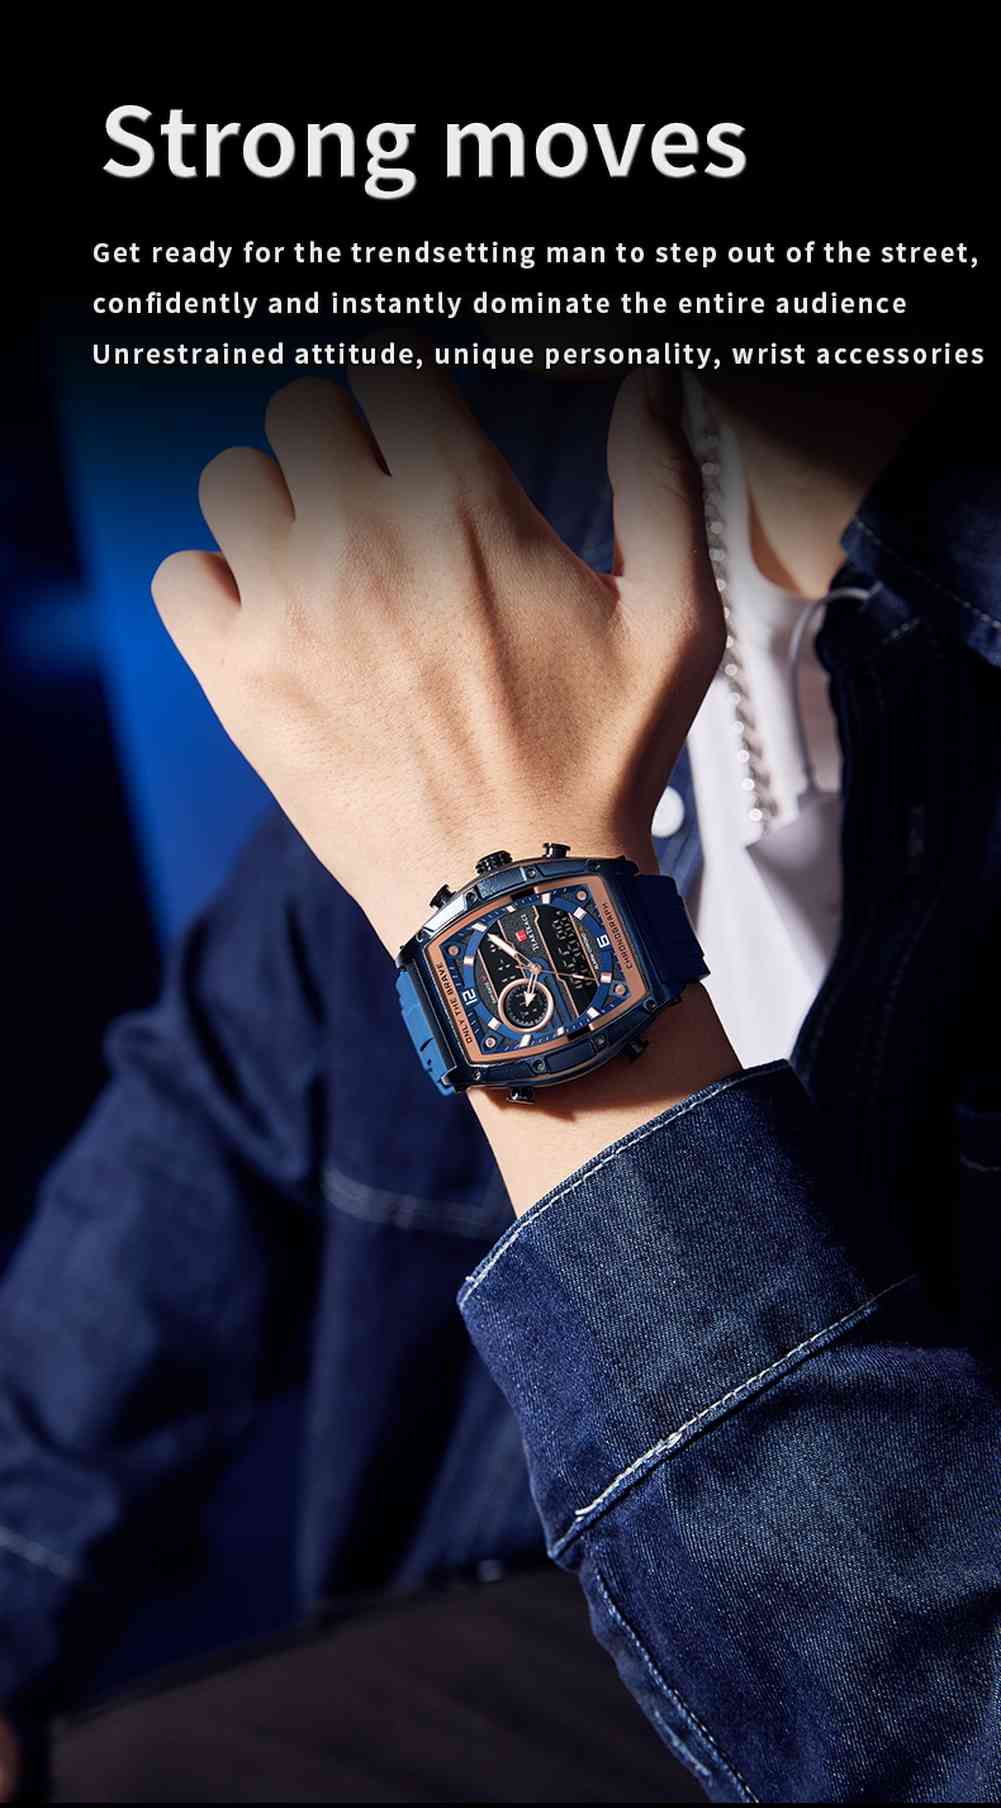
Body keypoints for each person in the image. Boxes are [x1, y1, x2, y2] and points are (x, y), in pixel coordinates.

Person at [1, 359, 998, 1803]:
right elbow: (205, 1124)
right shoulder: (505, 486)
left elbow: (934, 1725)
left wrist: (521, 884)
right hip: (544, 1592)